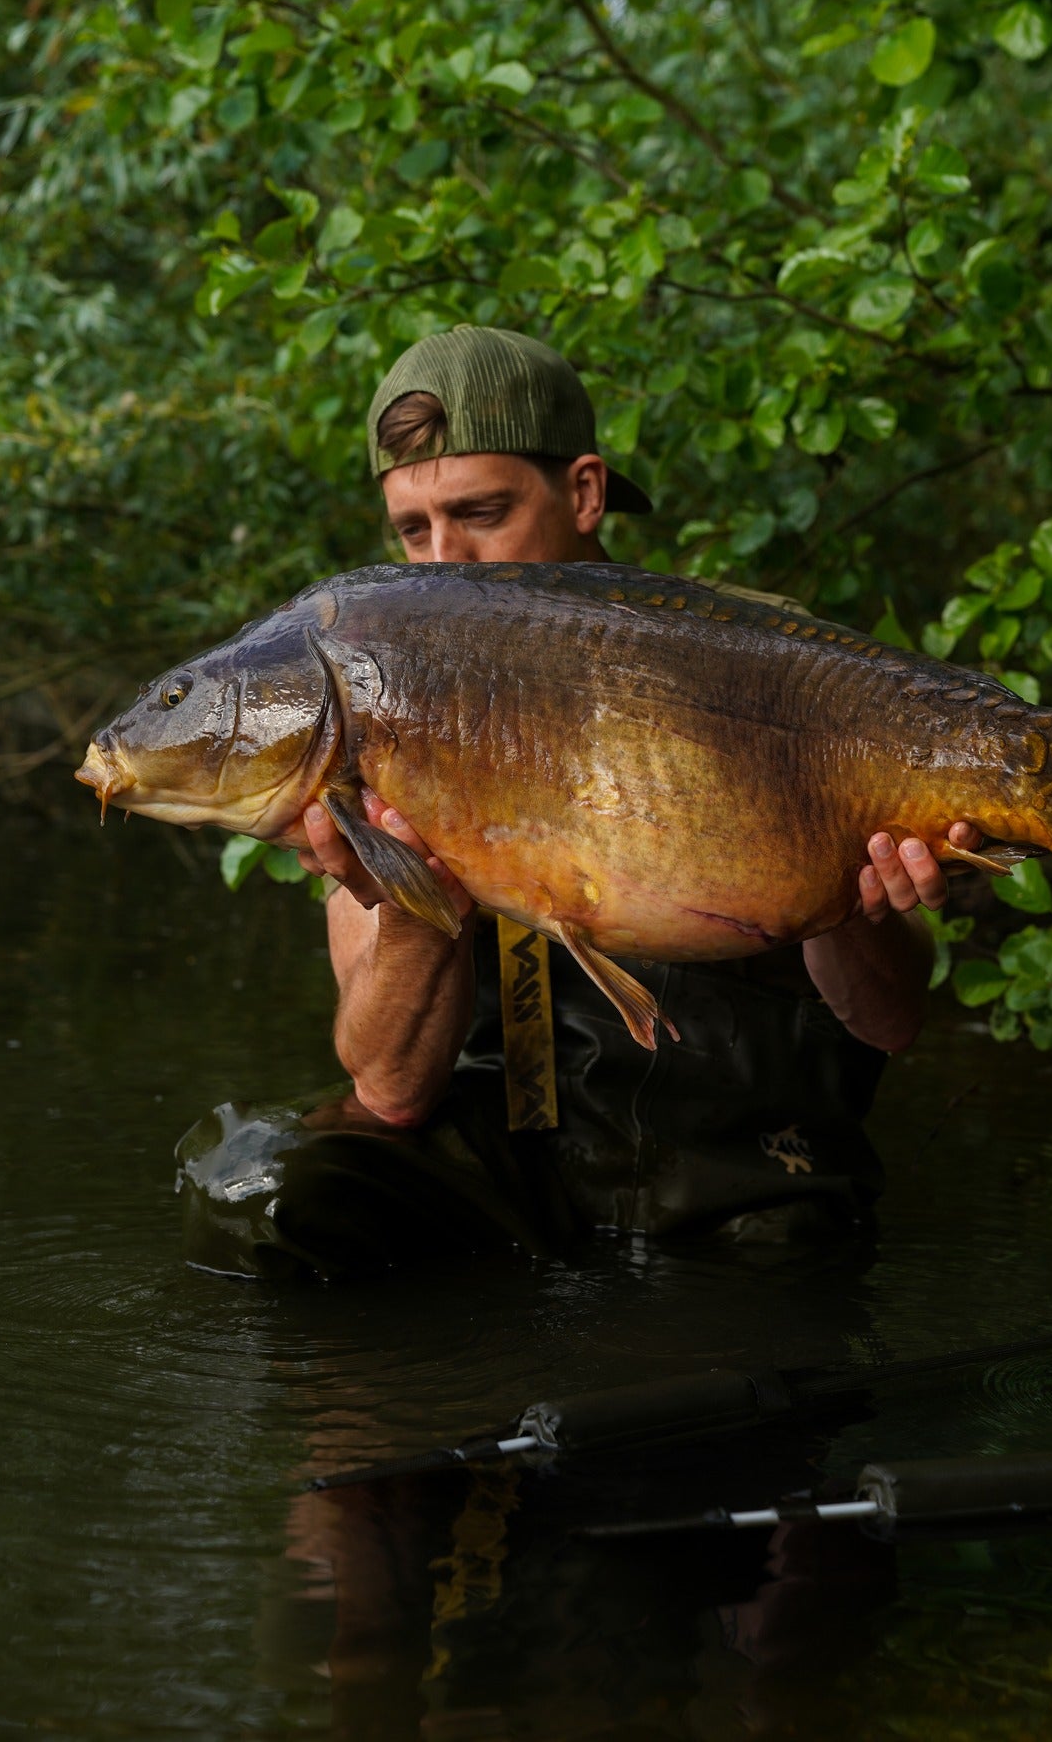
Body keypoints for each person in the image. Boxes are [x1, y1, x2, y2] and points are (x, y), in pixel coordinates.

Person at [177, 326, 978, 1277]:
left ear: (585, 492)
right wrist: (412, 890)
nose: (443, 561)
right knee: (266, 1192)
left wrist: (854, 895)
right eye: (413, 531)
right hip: (523, 1156)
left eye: (481, 513)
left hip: (742, 1156)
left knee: (776, 1267)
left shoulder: (763, 657)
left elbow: (891, 1022)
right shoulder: (384, 695)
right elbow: (390, 1089)